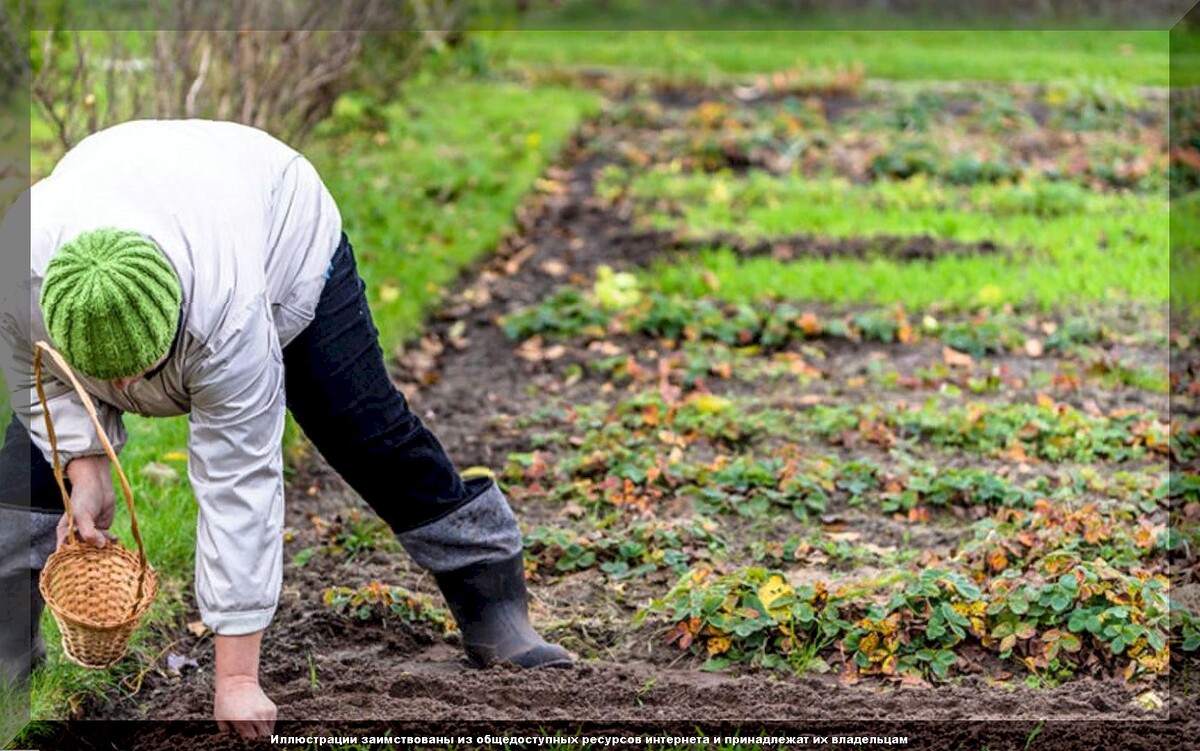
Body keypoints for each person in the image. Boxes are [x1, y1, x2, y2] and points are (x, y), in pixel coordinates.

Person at [0, 119, 572, 740]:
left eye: (146, 372)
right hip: (145, 187)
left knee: (361, 429)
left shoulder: (229, 309)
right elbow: (38, 378)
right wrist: (85, 462)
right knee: (26, 466)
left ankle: (486, 582)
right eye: (114, 383)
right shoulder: (17, 271)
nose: (133, 395)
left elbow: (237, 483)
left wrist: (237, 681)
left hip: (279, 230)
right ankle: (9, 650)